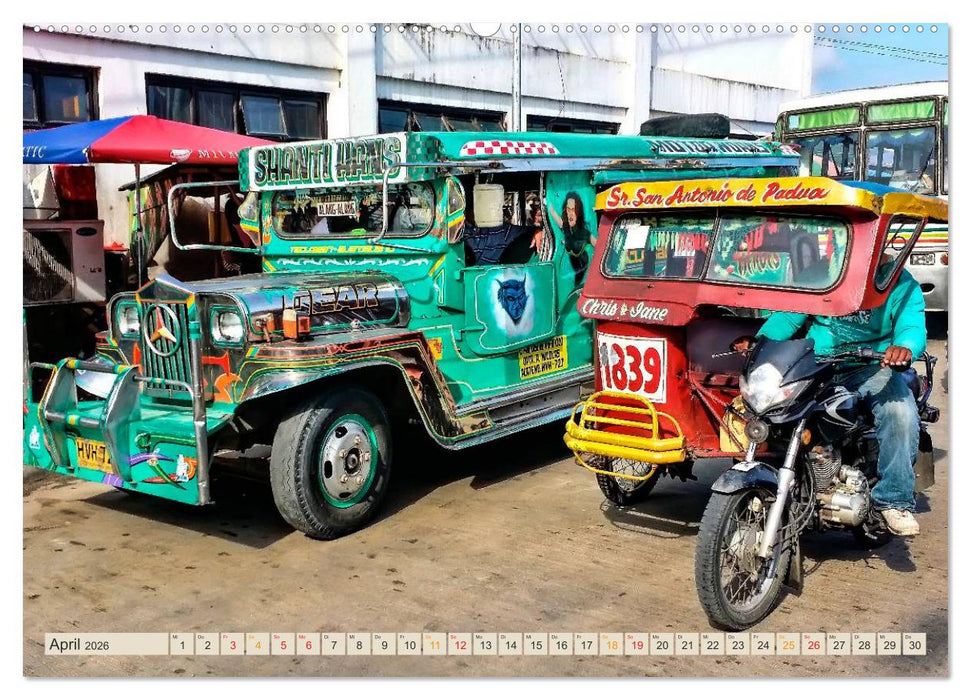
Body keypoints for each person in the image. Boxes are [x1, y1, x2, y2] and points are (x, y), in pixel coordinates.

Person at [733, 264, 927, 536]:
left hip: (872, 367)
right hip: (818, 362)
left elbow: (912, 326)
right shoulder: (822, 273)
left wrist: (904, 347)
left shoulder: (900, 283)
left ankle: (894, 500)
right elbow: (789, 317)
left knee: (900, 412)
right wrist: (760, 342)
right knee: (768, 406)